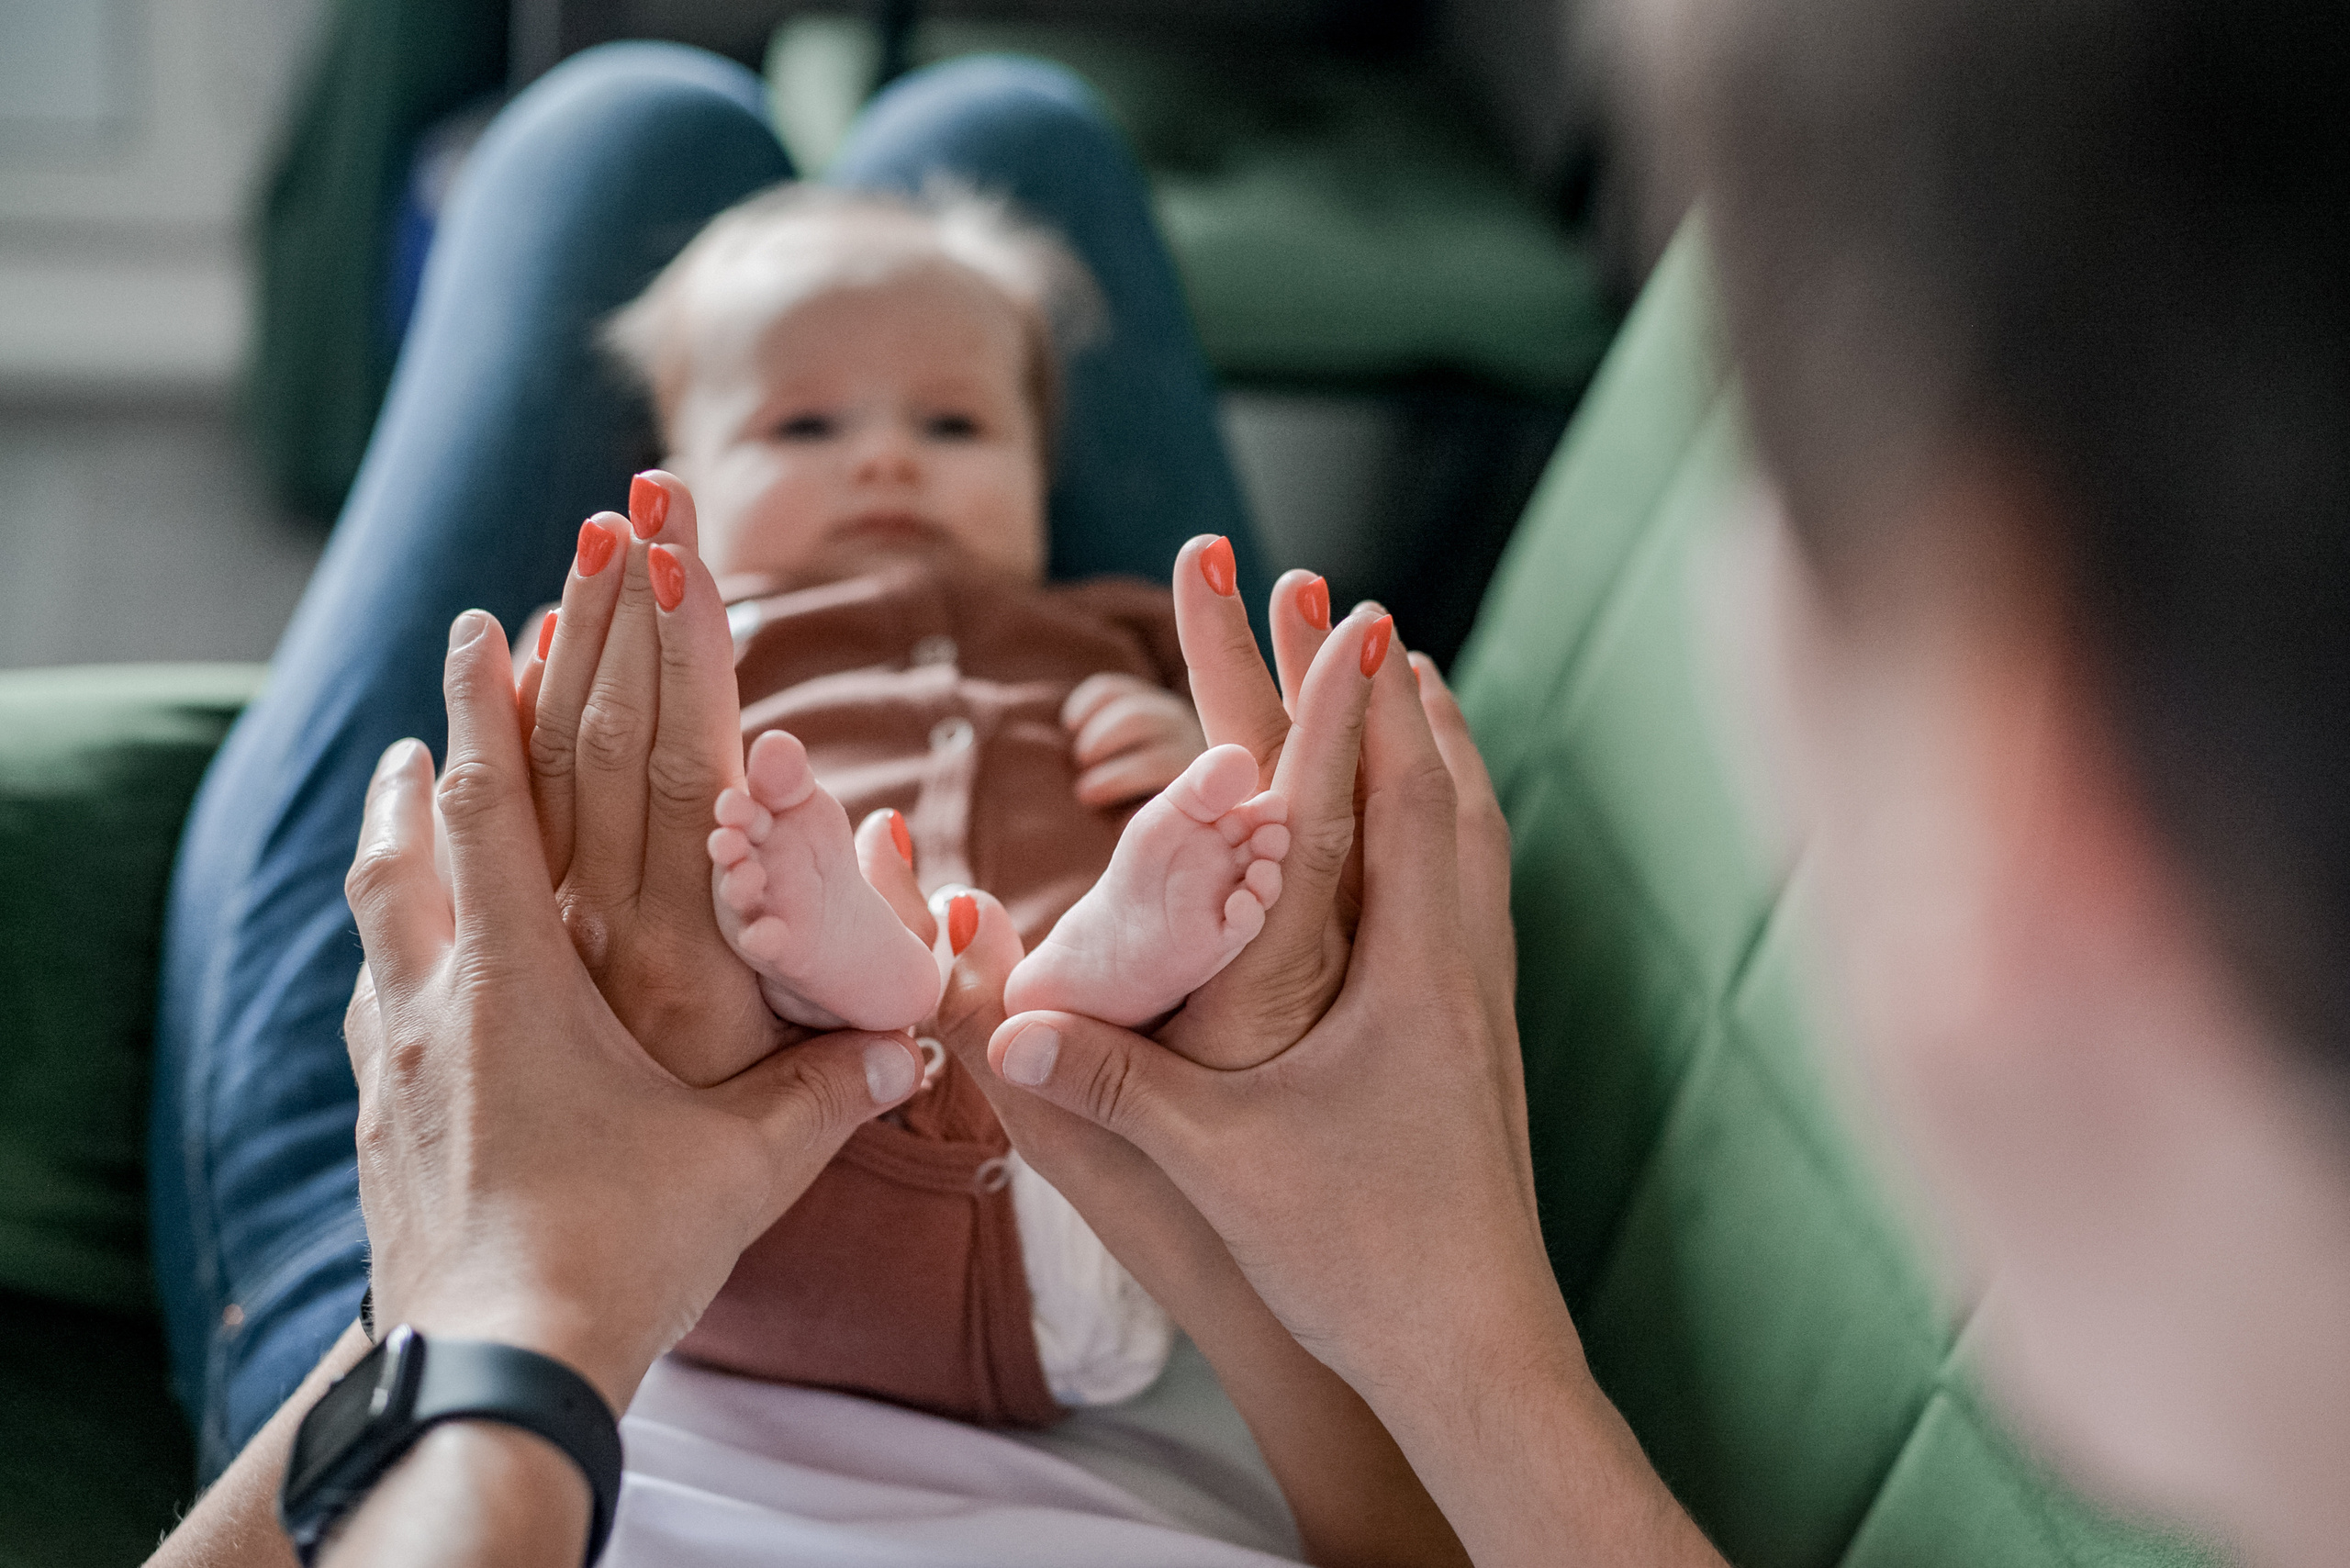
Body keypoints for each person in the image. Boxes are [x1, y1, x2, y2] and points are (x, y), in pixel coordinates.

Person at [156, 0, 2350, 1564]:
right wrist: (1425, 1315)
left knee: (628, 141)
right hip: (1096, 1266)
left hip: (542, 1327)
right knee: (1006, 153)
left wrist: (477, 1321)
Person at [532, 182, 1297, 1426]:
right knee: (716, 920)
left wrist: (1196, 759)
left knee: (1218, 913)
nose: (887, 458)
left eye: (953, 425)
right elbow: (544, 797)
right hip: (751, 1191)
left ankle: (1058, 978)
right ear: (680, 487)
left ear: (1041, 474)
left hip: (1101, 1227)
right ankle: (848, 979)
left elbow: (1289, 802)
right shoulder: (670, 652)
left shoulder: (1123, 633)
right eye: (804, 427)